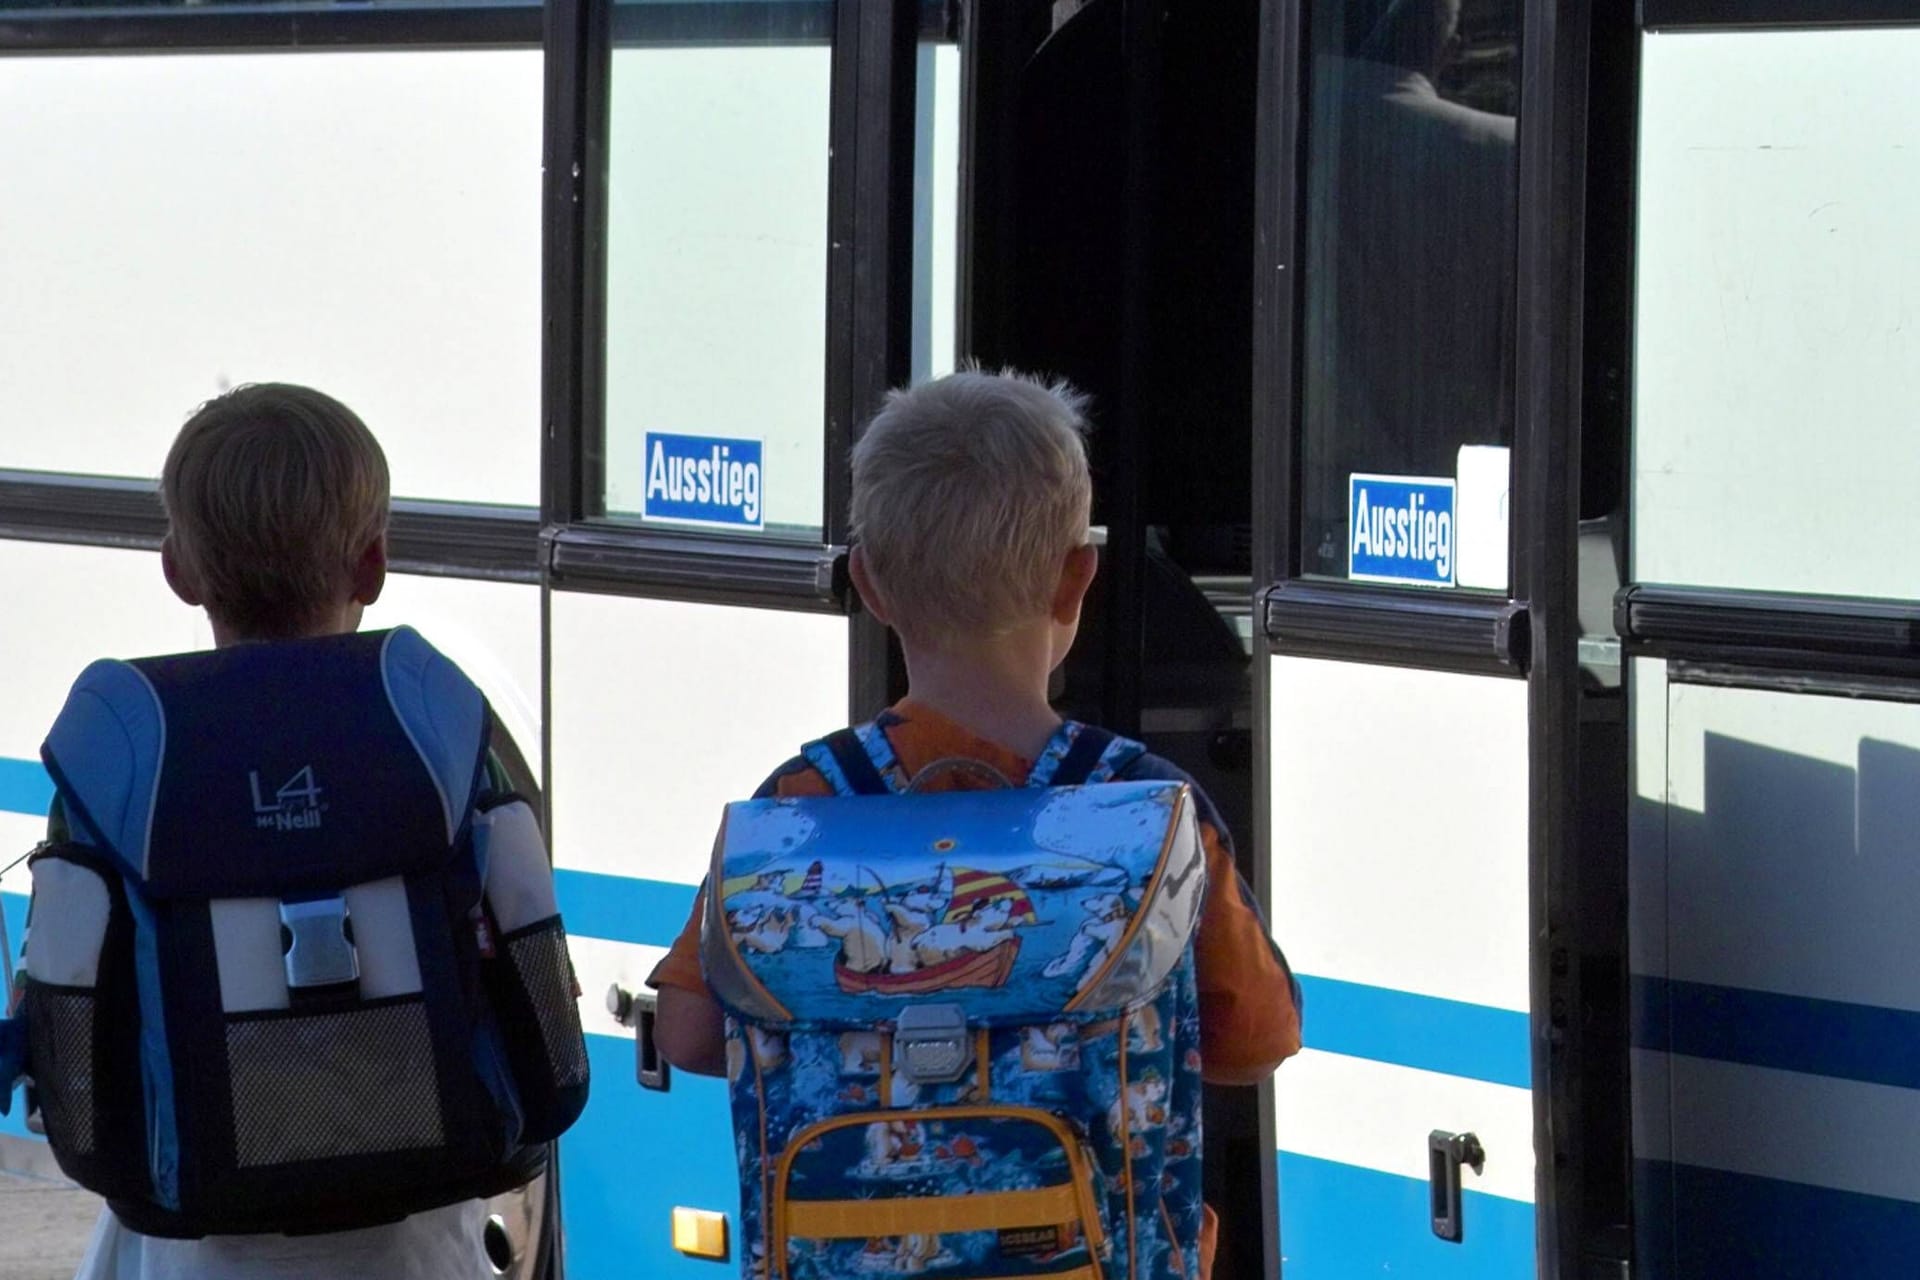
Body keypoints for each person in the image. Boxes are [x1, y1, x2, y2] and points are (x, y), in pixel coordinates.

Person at [649, 369, 1302, 1280]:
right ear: (1079, 578)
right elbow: (1257, 1041)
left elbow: (684, 1031)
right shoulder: (1148, 810)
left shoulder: (804, 806)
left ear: (869, 584)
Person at [47, 384, 542, 1279]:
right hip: (421, 1247)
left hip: (183, 1244)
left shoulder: (124, 761)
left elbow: (66, 1016)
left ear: (179, 570)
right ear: (373, 566)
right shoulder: (441, 731)